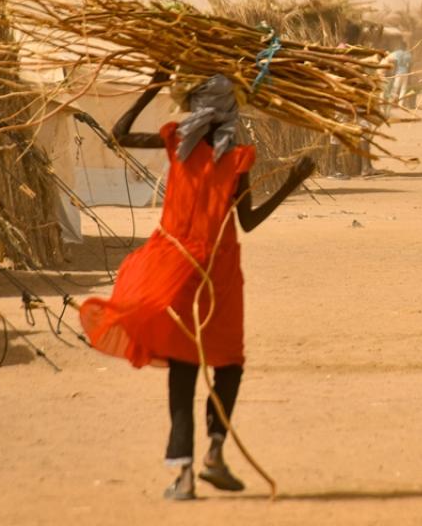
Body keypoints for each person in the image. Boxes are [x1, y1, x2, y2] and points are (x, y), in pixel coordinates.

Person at [79, 72, 314, 500]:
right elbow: (248, 221)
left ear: (193, 107)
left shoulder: (177, 142)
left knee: (184, 364)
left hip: (174, 263)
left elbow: (119, 134)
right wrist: (292, 182)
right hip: (218, 271)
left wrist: (153, 84)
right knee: (229, 362)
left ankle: (184, 474)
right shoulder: (236, 157)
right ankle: (215, 453)